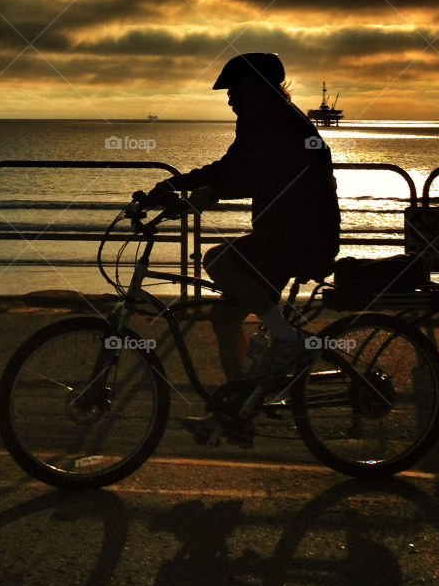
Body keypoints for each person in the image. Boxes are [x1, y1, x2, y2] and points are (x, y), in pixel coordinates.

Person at [146, 52, 341, 393]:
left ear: (256, 88)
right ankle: (238, 397)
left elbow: (263, 176)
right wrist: (176, 184)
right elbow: (232, 167)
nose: (229, 100)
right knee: (223, 316)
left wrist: (211, 191)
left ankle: (285, 337)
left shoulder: (280, 123)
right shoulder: (263, 119)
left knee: (217, 259)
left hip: (302, 238)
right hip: (285, 234)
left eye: (233, 91)